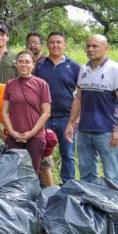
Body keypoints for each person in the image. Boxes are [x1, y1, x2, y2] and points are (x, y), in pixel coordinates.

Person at [65, 34, 118, 187]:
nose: (90, 49)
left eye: (95, 46)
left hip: (106, 131)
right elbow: (78, 98)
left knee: (112, 175)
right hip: (84, 131)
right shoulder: (83, 69)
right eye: (88, 46)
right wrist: (70, 124)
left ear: (106, 48)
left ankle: (116, 207)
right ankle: (91, 208)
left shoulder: (115, 70)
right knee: (86, 175)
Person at [34, 31, 82, 183]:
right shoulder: (39, 66)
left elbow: (81, 95)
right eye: (52, 42)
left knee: (67, 154)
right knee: (41, 153)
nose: (55, 45)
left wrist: (77, 118)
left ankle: (68, 185)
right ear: (47, 45)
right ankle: (43, 185)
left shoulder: (74, 67)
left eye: (58, 42)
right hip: (43, 118)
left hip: (66, 119)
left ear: (64, 45)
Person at [2, 50, 51, 180]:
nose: (24, 65)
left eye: (27, 62)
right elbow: (5, 111)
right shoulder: (10, 84)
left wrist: (32, 132)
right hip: (14, 136)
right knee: (13, 173)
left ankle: (31, 199)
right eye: (21, 62)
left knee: (31, 173)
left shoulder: (41, 84)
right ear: (16, 64)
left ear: (33, 65)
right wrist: (11, 132)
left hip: (35, 136)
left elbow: (46, 112)